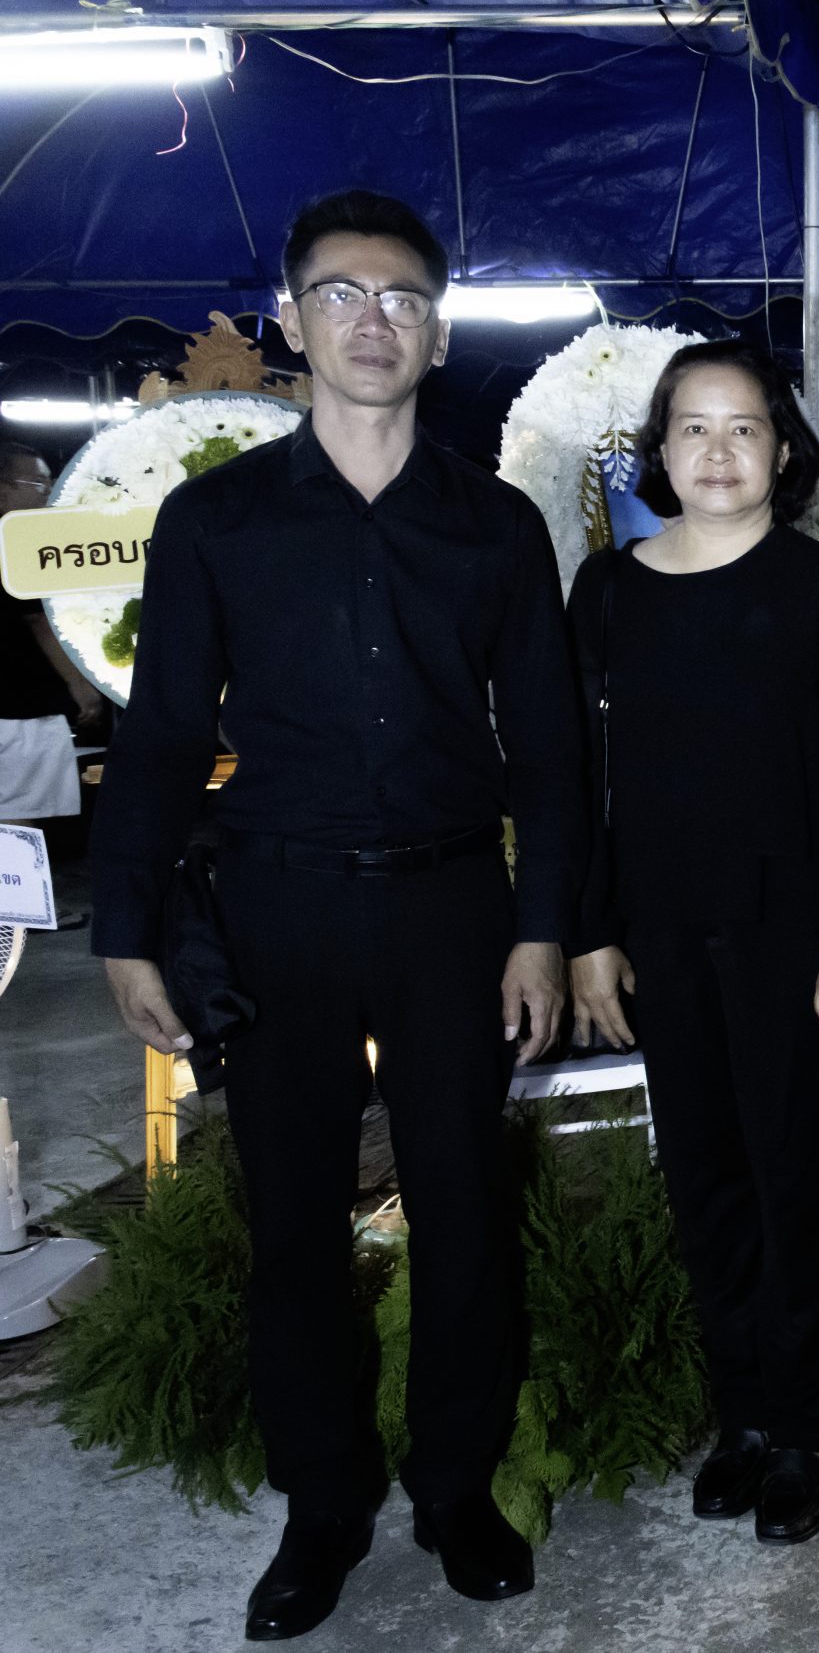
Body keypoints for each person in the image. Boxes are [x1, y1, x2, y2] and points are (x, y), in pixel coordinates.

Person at [91, 189, 583, 1640]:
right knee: (293, 1222)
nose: (376, 322)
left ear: (439, 333)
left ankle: (455, 1487)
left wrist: (543, 925)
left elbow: (553, 749)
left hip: (453, 910)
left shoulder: (496, 527)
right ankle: (323, 1505)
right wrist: (126, 927)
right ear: (293, 320)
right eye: (344, 296)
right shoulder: (218, 518)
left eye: (405, 299)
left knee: (464, 1210)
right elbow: (163, 736)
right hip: (276, 908)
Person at [565, 340, 819, 1547]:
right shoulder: (607, 591)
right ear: (659, 452)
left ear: (782, 450)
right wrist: (589, 935)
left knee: (798, 1182)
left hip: (798, 938)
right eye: (694, 429)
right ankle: (746, 1418)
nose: (718, 451)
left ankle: (806, 1429)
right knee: (706, 1183)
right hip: (661, 935)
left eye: (744, 428)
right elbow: (583, 778)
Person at [0, 444, 107, 829]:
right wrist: (80, 684)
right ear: (3, 490)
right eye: (38, 482)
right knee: (17, 824)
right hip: (21, 710)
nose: (48, 491)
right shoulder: (16, 543)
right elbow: (38, 621)